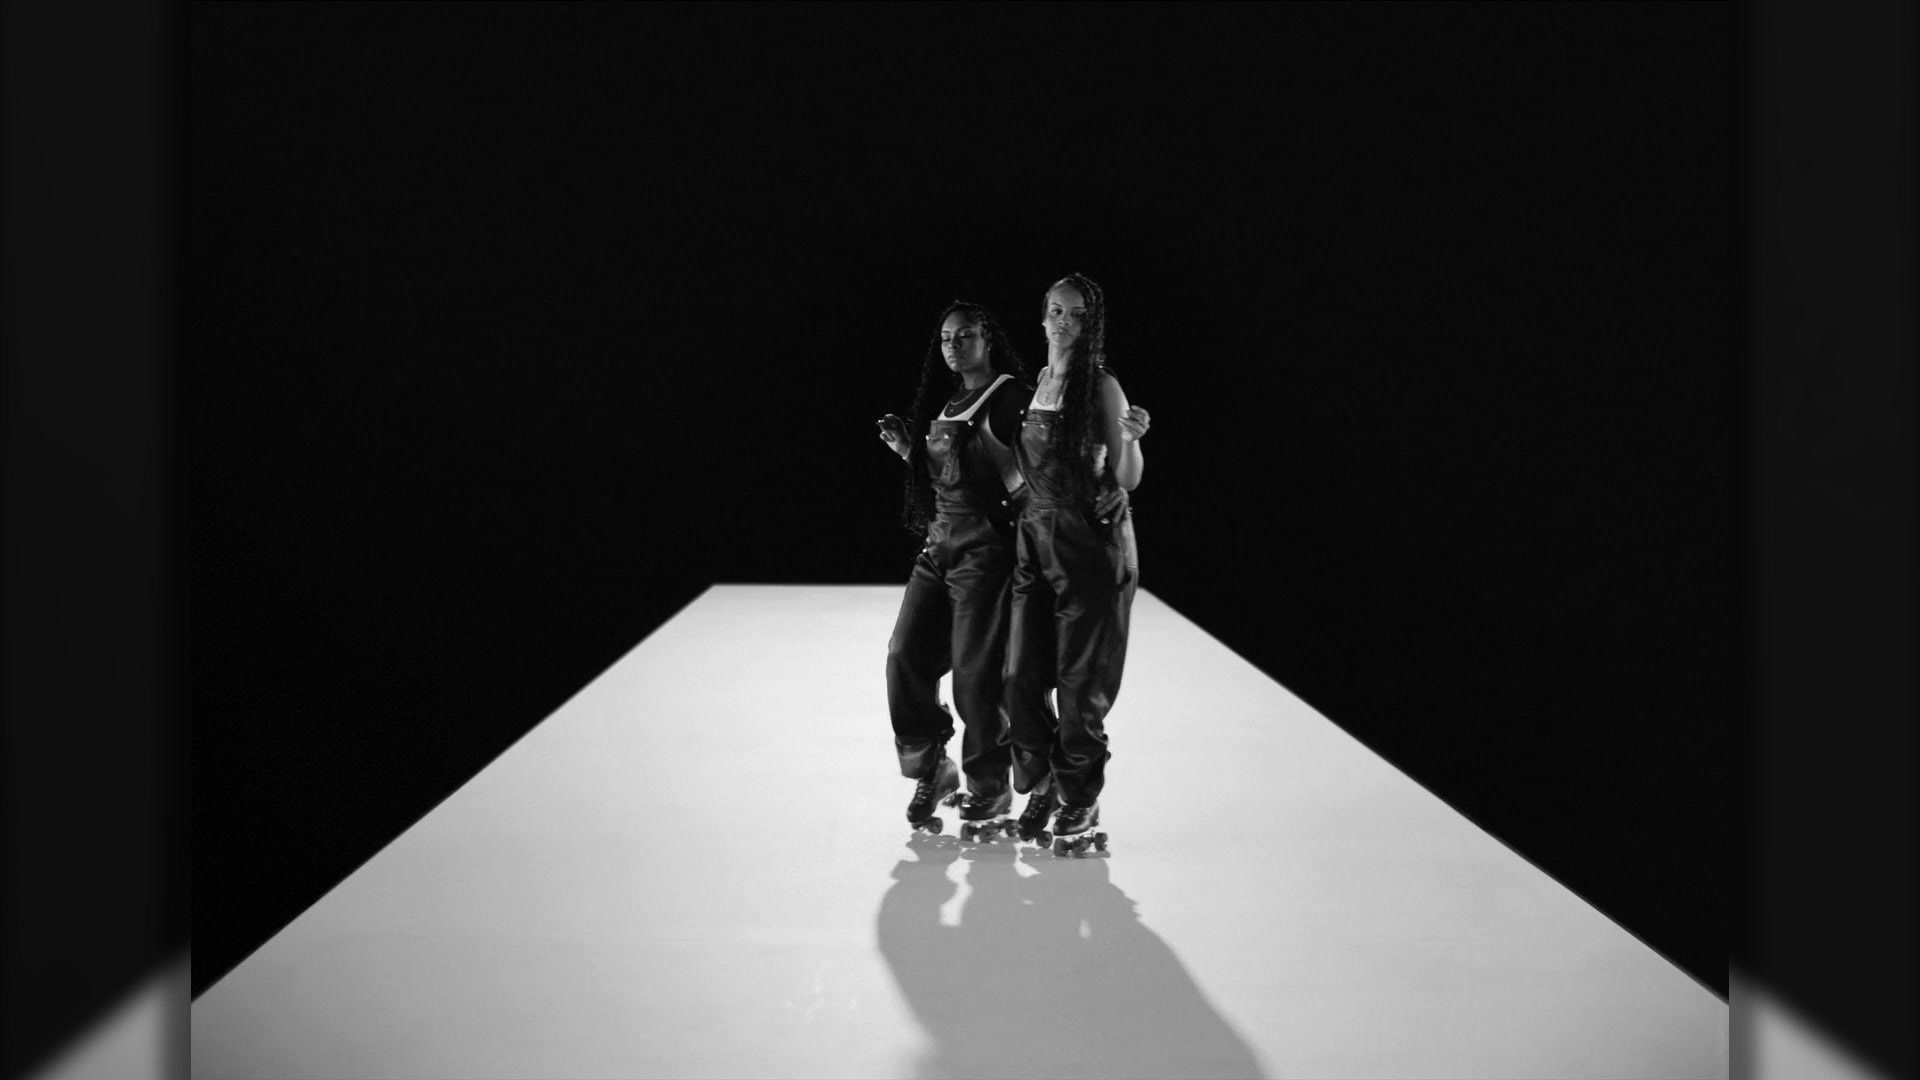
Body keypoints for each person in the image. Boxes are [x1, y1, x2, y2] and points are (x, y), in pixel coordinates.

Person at [1002, 272, 1151, 845]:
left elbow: (1127, 478)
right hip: (1035, 543)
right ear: (1042, 317)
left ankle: (1080, 800)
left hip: (1089, 546)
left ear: (1092, 325)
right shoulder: (1039, 382)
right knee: (1019, 674)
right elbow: (1024, 469)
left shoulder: (1102, 386)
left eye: (1078, 315)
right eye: (1057, 311)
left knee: (1079, 685)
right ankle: (1043, 779)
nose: (1065, 322)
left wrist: (1131, 440)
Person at [876, 300, 1032, 831]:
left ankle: (990, 788)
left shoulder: (1010, 396)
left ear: (987, 337)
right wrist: (909, 452)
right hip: (939, 547)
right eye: (946, 338)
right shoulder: (950, 402)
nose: (953, 345)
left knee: (973, 677)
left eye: (964, 335)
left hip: (985, 555)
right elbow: (949, 480)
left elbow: (1035, 473)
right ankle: (933, 768)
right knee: (904, 657)